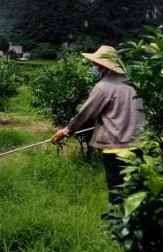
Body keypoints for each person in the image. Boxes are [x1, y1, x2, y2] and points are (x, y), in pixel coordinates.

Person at [51, 45, 145, 203]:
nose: (94, 67)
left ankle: (119, 225)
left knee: (117, 191)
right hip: (138, 145)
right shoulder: (134, 83)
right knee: (136, 191)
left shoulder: (103, 87)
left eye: (95, 64)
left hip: (116, 148)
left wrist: (67, 130)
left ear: (103, 66)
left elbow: (86, 114)